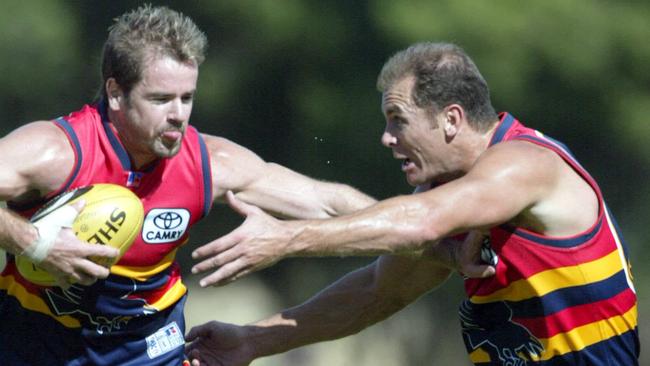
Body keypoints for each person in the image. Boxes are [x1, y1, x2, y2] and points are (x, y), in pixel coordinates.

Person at [186, 42, 639, 365]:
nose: (386, 138)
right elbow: (374, 294)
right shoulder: (453, 196)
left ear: (451, 119)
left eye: (398, 121)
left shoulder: (523, 164)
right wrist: (251, 341)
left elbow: (419, 223)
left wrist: (287, 238)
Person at [0, 5, 384, 365]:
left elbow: (326, 202)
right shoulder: (57, 153)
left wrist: (431, 230)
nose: (178, 115)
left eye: (187, 98)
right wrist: (37, 244)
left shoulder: (208, 164)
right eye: (161, 99)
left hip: (149, 352)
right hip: (32, 349)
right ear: (116, 93)